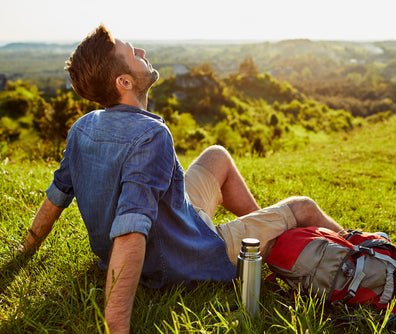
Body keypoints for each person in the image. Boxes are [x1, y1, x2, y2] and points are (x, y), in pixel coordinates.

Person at [19, 25, 343, 334]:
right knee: (303, 207)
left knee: (217, 156)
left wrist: (25, 250)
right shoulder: (152, 136)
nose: (142, 51)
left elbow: (56, 196)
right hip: (183, 259)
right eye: (134, 53)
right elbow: (131, 232)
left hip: (177, 225)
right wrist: (116, 326)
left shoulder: (82, 128)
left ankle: (254, 253)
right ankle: (365, 251)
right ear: (125, 82)